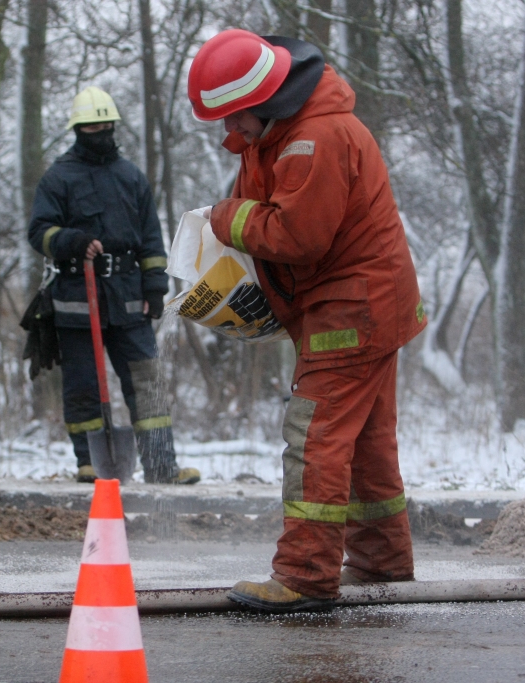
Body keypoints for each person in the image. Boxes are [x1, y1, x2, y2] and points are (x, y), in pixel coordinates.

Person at [188, 29, 427, 611]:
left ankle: (304, 574)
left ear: (261, 102)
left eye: (233, 118)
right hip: (363, 306)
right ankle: (381, 561)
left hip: (354, 311)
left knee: (314, 436)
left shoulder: (313, 138)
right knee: (367, 444)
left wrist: (224, 219)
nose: (230, 132)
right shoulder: (282, 134)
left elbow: (298, 234)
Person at [27, 86, 201, 486]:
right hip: (75, 296)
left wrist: (155, 286)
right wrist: (69, 240)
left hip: (128, 296)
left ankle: (161, 466)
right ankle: (90, 463)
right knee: (83, 384)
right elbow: (39, 231)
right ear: (78, 130)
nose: (101, 131)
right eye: (92, 126)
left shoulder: (131, 177)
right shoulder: (57, 178)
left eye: (106, 124)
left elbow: (151, 237)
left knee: (147, 382)